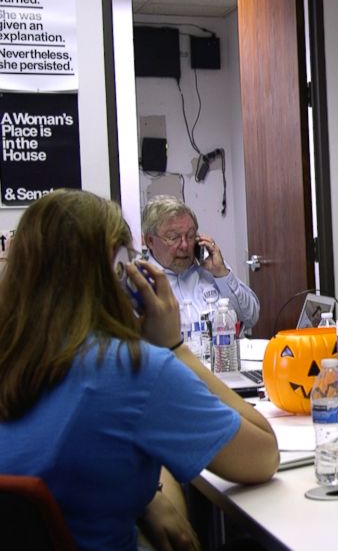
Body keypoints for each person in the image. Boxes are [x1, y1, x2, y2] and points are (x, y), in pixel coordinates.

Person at [0, 190, 279, 550]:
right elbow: (262, 456)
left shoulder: (13, 357)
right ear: (120, 271)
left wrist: (149, 498)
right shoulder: (130, 368)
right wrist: (174, 347)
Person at [141, 195, 260, 330]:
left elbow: (250, 318)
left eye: (191, 235)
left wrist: (222, 275)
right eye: (173, 238)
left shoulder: (212, 270)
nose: (185, 245)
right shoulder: (139, 283)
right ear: (150, 241)